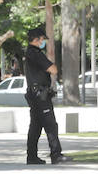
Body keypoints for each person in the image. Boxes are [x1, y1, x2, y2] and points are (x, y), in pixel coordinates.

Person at [23, 26, 67, 165]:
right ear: (36, 39)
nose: (43, 42)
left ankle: (32, 156)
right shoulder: (35, 53)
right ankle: (56, 154)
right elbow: (53, 69)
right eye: (42, 39)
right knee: (50, 125)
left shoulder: (29, 52)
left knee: (35, 126)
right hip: (40, 94)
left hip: (34, 93)